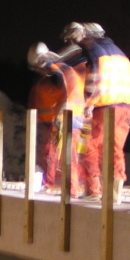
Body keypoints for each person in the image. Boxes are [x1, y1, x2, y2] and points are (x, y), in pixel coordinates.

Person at [63, 22, 130, 203]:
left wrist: (89, 102)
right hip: (125, 106)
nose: (75, 43)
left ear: (86, 35)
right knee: (115, 150)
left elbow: (96, 76)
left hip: (105, 106)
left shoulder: (94, 49)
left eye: (75, 38)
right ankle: (115, 195)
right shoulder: (119, 52)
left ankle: (95, 191)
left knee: (90, 147)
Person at [27, 43, 85, 196]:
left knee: (64, 155)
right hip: (69, 117)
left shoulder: (56, 72)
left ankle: (70, 189)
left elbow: (67, 95)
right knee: (58, 154)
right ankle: (57, 186)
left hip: (66, 118)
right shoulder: (62, 69)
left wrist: (59, 116)